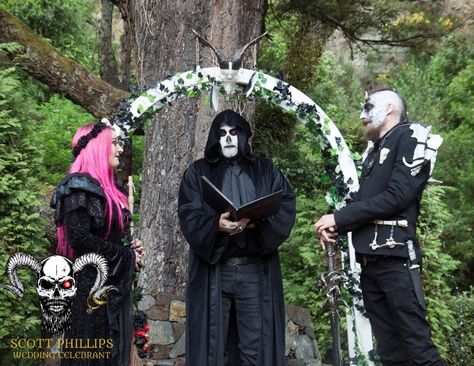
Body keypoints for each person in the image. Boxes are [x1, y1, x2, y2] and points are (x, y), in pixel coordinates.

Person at [314, 88, 445, 366]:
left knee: (419, 350)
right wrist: (339, 225)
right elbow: (368, 204)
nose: (362, 116)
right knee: (390, 352)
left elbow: (397, 197)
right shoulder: (375, 151)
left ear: (388, 109)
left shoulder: (410, 137)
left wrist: (339, 218)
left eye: (368, 107)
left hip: (396, 261)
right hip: (370, 264)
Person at [178, 109, 296, 366]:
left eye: (234, 132)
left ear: (243, 136)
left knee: (256, 349)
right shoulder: (197, 172)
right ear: (214, 138)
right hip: (215, 272)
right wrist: (215, 224)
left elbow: (285, 204)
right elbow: (188, 213)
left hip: (255, 272)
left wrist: (256, 220)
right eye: (222, 134)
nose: (228, 138)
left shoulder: (265, 169)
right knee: (213, 349)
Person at [50, 121, 144, 366]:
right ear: (97, 147)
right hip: (90, 290)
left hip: (111, 286)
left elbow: (107, 238)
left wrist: (130, 250)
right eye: (114, 143)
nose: (120, 150)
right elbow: (80, 239)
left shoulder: (109, 189)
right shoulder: (79, 186)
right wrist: (125, 256)